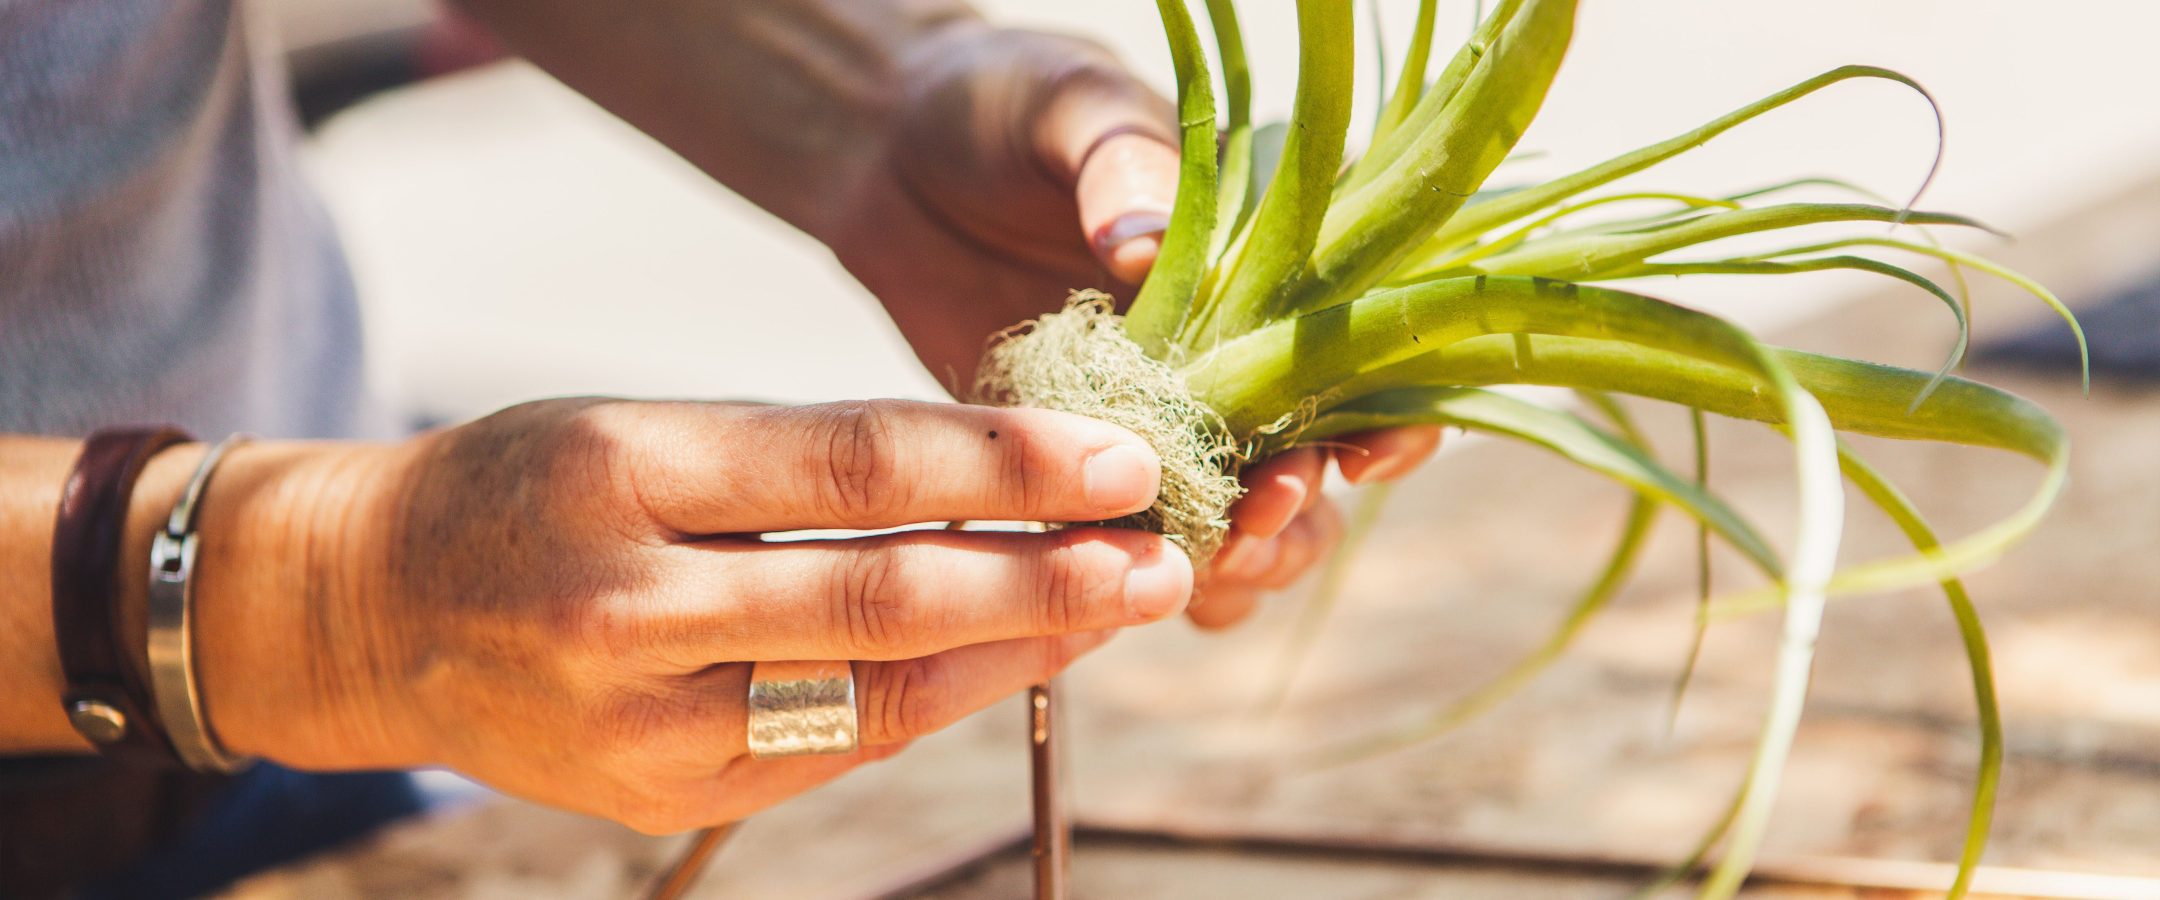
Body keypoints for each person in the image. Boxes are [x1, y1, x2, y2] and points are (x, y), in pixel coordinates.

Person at [0, 1, 1442, 896]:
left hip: (326, 738)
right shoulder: (359, 615)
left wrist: (878, 101)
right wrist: (324, 601)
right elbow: (341, 607)